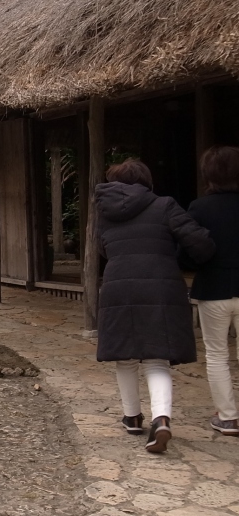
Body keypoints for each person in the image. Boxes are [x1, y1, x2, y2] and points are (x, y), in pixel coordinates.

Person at [95, 158, 213, 453]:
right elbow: (198, 241)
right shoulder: (164, 205)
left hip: (118, 286)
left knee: (124, 355)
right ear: (147, 182)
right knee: (156, 357)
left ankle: (132, 417)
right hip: (161, 285)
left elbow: (103, 248)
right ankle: (161, 419)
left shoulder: (104, 212)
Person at [187, 145, 239, 436]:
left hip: (213, 287)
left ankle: (228, 417)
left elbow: (189, 251)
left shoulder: (199, 208)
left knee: (217, 354)